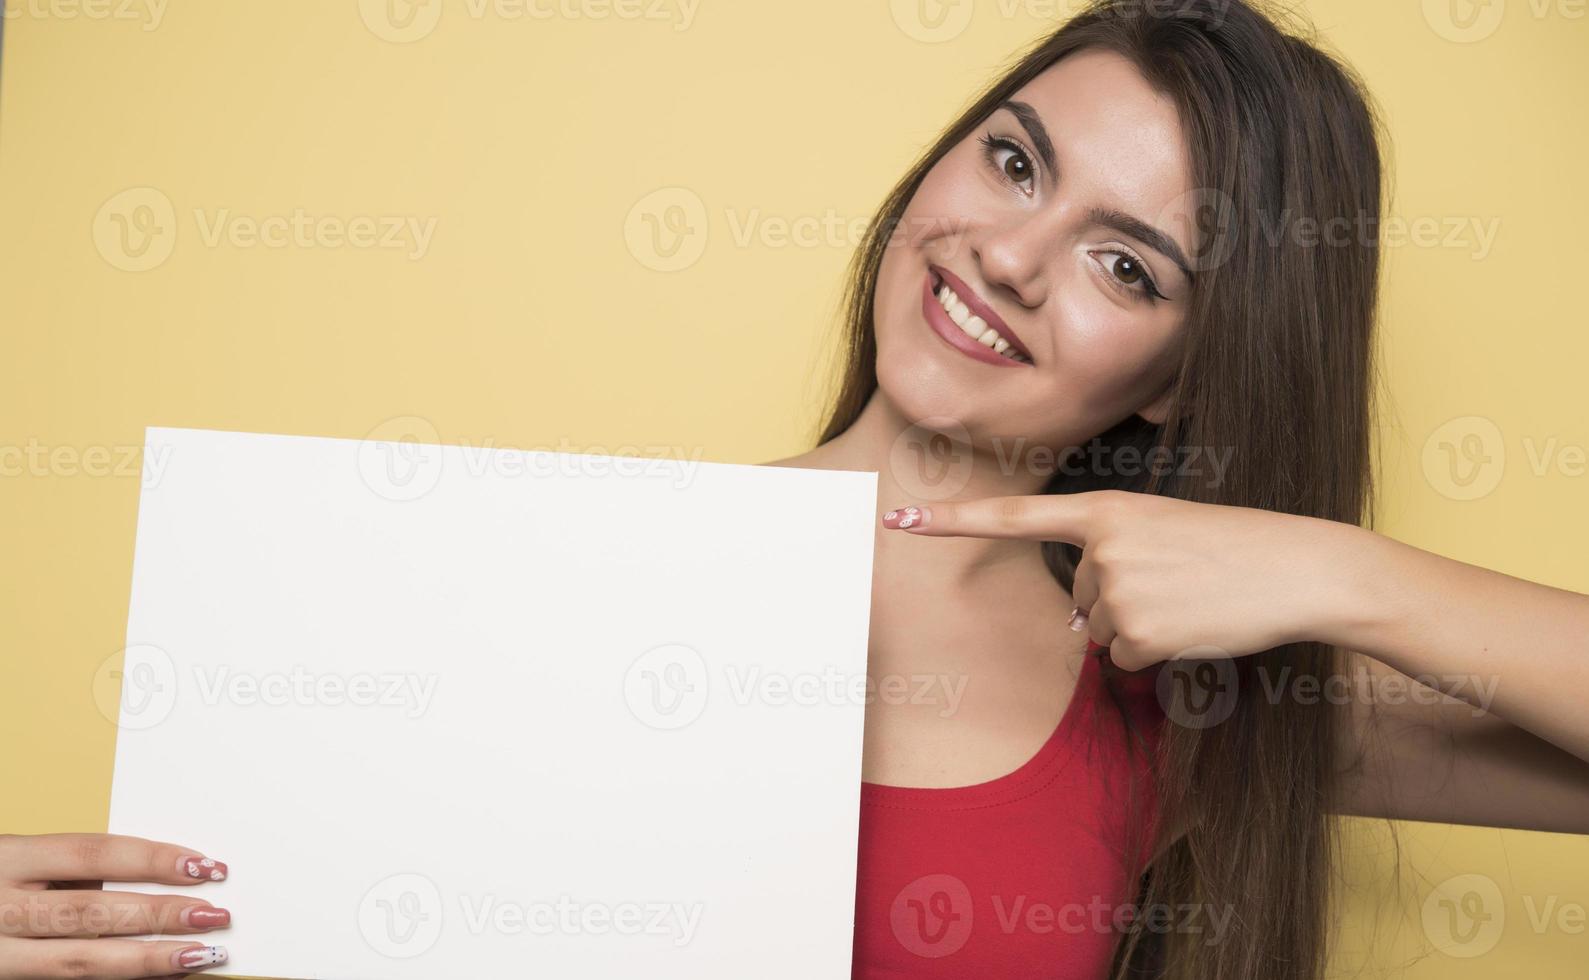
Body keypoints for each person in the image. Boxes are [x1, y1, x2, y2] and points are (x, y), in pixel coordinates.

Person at [3, 2, 1585, 978]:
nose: (1008, 257)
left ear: (1183, 372)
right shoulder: (538, 578)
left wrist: (1350, 574)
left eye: (1124, 261)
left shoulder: (1172, 692)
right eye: (1015, 161)